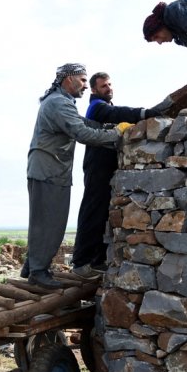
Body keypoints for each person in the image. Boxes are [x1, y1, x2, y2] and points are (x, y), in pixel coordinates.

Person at [23, 63, 134, 289]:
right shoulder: (59, 103)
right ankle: (38, 272)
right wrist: (116, 133)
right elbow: (82, 133)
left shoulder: (60, 102)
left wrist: (107, 127)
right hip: (49, 169)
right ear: (68, 79)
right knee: (51, 223)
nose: (85, 86)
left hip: (48, 168)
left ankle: (32, 266)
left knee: (42, 220)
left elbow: (83, 123)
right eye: (83, 80)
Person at [71, 72, 171, 278]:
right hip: (97, 165)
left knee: (101, 212)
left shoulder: (104, 107)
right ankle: (81, 261)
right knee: (92, 209)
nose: (108, 88)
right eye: (103, 86)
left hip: (105, 165)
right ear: (94, 90)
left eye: (109, 84)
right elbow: (117, 114)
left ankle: (97, 260)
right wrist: (146, 113)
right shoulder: (96, 107)